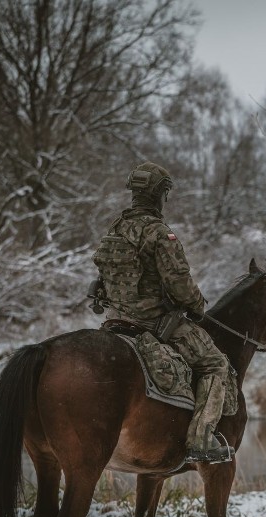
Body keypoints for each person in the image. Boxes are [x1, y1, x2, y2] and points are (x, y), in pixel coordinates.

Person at [92, 161, 234, 464]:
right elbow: (179, 284)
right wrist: (196, 306)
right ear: (159, 194)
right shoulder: (159, 234)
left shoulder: (115, 230)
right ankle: (202, 439)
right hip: (153, 322)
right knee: (215, 363)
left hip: (116, 320)